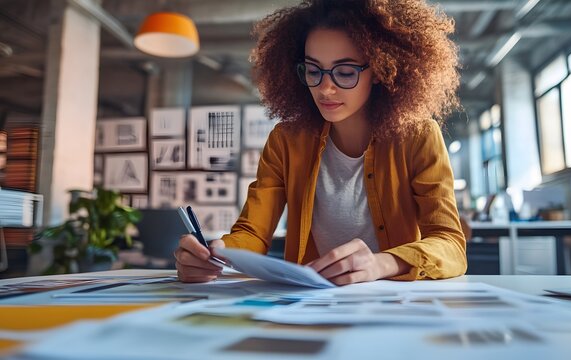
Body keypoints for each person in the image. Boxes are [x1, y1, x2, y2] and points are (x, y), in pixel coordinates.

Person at [174, 0, 467, 285]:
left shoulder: (418, 137)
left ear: (379, 71)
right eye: (314, 71)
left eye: (345, 72)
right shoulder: (286, 141)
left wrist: (381, 263)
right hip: (311, 304)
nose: (326, 88)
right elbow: (253, 233)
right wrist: (216, 254)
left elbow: (451, 245)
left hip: (393, 307)